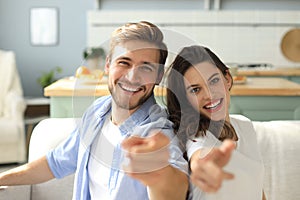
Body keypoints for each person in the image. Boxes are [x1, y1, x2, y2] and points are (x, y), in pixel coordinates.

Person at [0, 21, 189, 200]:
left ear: (158, 75)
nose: (132, 77)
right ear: (108, 65)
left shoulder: (157, 132)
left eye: (146, 67)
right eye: (124, 62)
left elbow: (175, 188)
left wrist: (159, 171)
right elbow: (55, 163)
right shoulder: (97, 112)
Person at [166, 45, 265, 200]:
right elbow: (199, 156)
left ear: (227, 78)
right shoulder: (196, 137)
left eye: (214, 81)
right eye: (195, 90)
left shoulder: (245, 126)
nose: (209, 94)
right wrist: (202, 165)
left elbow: (258, 190)